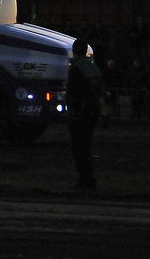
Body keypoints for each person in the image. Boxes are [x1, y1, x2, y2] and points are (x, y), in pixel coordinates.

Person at [67, 39, 102, 191]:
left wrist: (73, 115)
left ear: (74, 51)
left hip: (81, 115)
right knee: (87, 148)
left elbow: (73, 95)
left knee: (79, 149)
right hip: (93, 113)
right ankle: (90, 179)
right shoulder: (94, 69)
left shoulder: (76, 69)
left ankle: (84, 180)